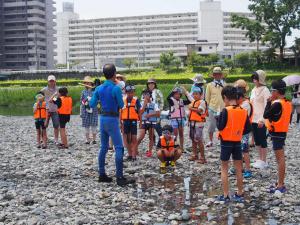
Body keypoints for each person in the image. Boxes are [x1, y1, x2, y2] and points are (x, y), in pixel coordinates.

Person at [90, 64, 135, 186]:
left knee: (104, 147)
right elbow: (121, 105)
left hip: (102, 119)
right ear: (114, 74)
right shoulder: (116, 88)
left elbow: (92, 104)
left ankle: (102, 174)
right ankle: (120, 177)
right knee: (119, 147)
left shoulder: (98, 88)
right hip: (112, 119)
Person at [216, 86, 251, 203]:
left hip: (226, 142)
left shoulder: (225, 110)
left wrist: (217, 117)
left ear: (225, 97)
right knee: (238, 168)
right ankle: (240, 193)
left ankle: (226, 195)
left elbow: (220, 126)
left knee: (224, 168)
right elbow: (247, 129)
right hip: (237, 141)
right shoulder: (243, 111)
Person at [264, 80, 292, 193]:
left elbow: (265, 115)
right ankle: (280, 182)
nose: (271, 93)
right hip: (282, 132)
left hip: (277, 134)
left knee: (280, 159)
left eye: (272, 91)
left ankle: (280, 184)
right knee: (280, 159)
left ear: (276, 91)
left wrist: (268, 103)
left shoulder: (276, 104)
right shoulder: (287, 102)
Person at [250, 70, 271, 169]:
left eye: (256, 78)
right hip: (253, 118)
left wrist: (263, 119)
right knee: (257, 139)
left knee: (262, 139)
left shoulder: (265, 90)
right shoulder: (253, 89)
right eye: (253, 78)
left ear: (260, 79)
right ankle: (259, 159)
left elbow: (268, 106)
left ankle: (264, 160)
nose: (254, 80)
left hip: (261, 119)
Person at [235, 80, 253, 178]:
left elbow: (240, 116)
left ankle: (248, 169)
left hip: (244, 131)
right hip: (239, 131)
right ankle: (240, 167)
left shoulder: (245, 104)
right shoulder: (243, 103)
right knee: (239, 149)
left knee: (245, 150)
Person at [205, 67, 226, 148]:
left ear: (221, 75)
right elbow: (207, 98)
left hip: (223, 107)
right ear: (213, 75)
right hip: (212, 107)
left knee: (223, 125)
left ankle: (222, 140)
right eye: (215, 74)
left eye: (218, 74)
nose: (217, 76)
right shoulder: (209, 85)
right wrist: (206, 108)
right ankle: (210, 141)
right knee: (211, 125)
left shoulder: (224, 84)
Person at [120, 84, 141, 161]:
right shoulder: (123, 100)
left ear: (134, 93)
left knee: (134, 138)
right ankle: (129, 154)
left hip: (133, 121)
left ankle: (134, 155)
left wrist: (141, 122)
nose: (130, 94)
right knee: (127, 139)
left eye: (132, 92)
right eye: (129, 92)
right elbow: (120, 111)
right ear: (126, 93)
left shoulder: (136, 100)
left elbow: (139, 111)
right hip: (125, 121)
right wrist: (120, 122)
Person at [138, 89, 161, 157]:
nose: (145, 96)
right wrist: (144, 105)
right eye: (144, 94)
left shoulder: (154, 104)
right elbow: (140, 113)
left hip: (151, 122)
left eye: (147, 94)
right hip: (143, 122)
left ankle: (150, 151)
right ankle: (135, 149)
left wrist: (150, 115)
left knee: (151, 137)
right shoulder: (141, 103)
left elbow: (158, 114)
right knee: (141, 136)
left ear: (150, 95)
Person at [188, 86, 207, 163]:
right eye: (194, 94)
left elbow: (199, 110)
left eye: (197, 94)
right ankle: (194, 155)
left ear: (200, 95)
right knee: (193, 139)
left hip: (199, 124)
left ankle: (203, 157)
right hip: (192, 123)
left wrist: (191, 108)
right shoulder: (193, 102)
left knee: (199, 140)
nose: (195, 95)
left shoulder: (202, 102)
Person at [145, 78, 164, 145]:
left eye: (152, 83)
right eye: (149, 83)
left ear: (155, 84)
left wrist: (160, 110)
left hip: (156, 112)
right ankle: (153, 142)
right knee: (150, 128)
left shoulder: (158, 91)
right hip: (148, 112)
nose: (151, 85)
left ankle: (161, 142)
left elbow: (162, 102)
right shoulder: (145, 92)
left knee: (157, 127)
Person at [41, 75, 60, 145]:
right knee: (44, 126)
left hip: (55, 110)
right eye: (50, 81)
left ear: (55, 81)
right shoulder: (43, 90)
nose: (51, 82)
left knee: (56, 125)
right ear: (48, 82)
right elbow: (38, 98)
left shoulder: (58, 89)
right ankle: (44, 139)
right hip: (46, 110)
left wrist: (53, 100)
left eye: (53, 81)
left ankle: (56, 139)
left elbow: (59, 99)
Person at [80, 76, 98, 144]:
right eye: (86, 83)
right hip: (85, 110)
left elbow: (97, 101)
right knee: (86, 125)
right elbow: (81, 102)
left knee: (94, 124)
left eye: (89, 83)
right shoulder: (83, 92)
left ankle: (94, 140)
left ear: (91, 83)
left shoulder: (95, 92)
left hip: (94, 110)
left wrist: (92, 101)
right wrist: (85, 101)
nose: (87, 84)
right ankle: (87, 140)